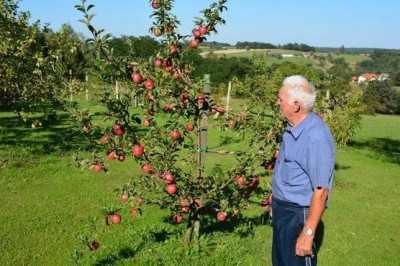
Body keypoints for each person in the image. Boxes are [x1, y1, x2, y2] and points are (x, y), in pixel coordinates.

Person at [271, 75, 335, 266]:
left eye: (281, 99)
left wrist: (308, 233)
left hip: (299, 215)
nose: (277, 103)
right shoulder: (292, 128)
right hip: (283, 210)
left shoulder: (315, 137)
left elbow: (322, 190)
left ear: (296, 105)